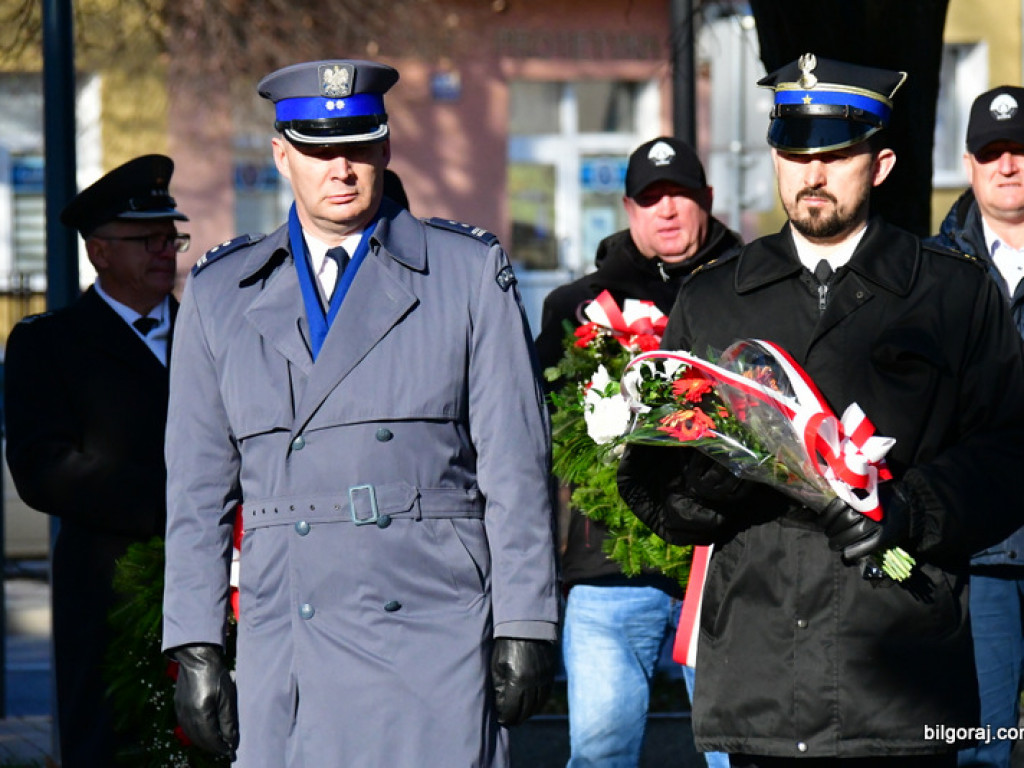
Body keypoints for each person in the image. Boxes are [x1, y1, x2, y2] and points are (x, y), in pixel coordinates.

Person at [616, 53, 1024, 767]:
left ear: (883, 163)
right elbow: (658, 486)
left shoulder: (951, 294)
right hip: (759, 677)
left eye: (836, 156)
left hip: (901, 680)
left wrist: (910, 508)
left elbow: (1010, 451)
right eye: (795, 154)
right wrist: (720, 473)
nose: (812, 175)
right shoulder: (715, 299)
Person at [160, 58, 559, 767]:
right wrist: (193, 640)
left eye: (358, 146)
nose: (339, 169)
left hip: (431, 628)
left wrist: (527, 620)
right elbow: (196, 492)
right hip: (289, 638)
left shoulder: (464, 276)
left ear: (385, 148)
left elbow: (516, 465)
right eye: (317, 150)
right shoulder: (222, 294)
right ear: (281, 156)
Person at [534, 136, 736, 768]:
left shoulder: (754, 292)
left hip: (727, 565)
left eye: (679, 194)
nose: (666, 210)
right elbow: (541, 446)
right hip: (609, 573)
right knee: (600, 754)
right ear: (627, 208)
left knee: (742, 753)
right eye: (650, 198)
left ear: (707, 199)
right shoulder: (573, 309)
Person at [4, 154, 189, 767]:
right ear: (100, 253)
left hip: (215, 578)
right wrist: (179, 504)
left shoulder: (212, 334)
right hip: (107, 586)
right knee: (113, 746)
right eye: (148, 240)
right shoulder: (48, 343)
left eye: (172, 237)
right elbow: (43, 467)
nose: (167, 252)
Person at [929, 85, 1024, 768]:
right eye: (992, 151)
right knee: (980, 750)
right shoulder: (929, 275)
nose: (1008, 165)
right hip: (978, 555)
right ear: (969, 163)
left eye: (1021, 149)